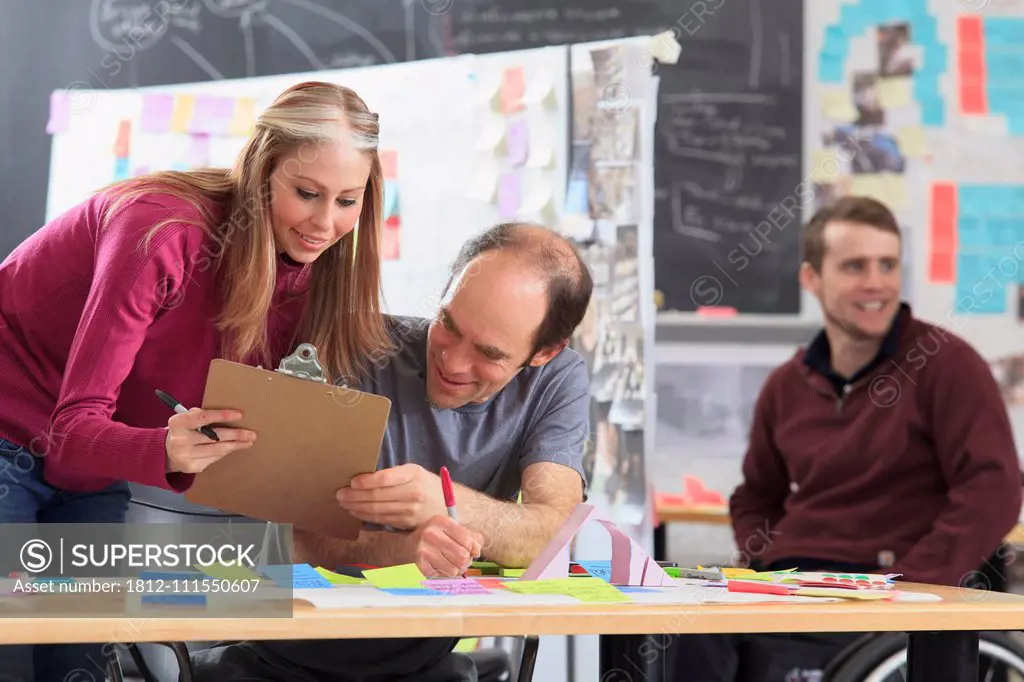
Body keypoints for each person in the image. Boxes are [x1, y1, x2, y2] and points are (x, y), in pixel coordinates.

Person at [0, 80, 393, 682]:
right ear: (262, 172)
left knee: (77, 663)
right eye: (306, 193)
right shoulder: (158, 230)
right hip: (14, 427)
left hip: (93, 466)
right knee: (14, 649)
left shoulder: (316, 273)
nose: (324, 222)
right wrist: (163, 446)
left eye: (348, 200)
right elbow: (74, 426)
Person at [189, 222, 594, 681]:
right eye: (448, 324)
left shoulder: (556, 380)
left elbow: (556, 536)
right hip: (274, 657)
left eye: (489, 353)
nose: (454, 361)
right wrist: (402, 548)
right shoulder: (357, 346)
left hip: (424, 662)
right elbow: (292, 539)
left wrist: (441, 505)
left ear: (544, 353)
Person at [670, 196, 1023, 681]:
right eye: (855, 266)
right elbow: (755, 494)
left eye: (887, 264)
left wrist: (909, 583)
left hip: (893, 587)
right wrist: (762, 560)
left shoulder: (948, 366)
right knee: (681, 629)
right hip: (799, 584)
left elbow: (994, 490)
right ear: (811, 278)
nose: (875, 282)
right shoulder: (786, 385)